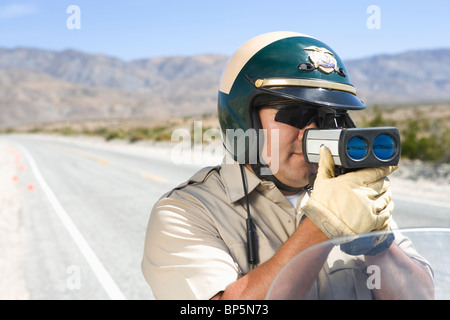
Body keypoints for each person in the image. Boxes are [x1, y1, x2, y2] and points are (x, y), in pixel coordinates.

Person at [141, 31, 434, 300]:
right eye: (296, 113)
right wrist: (323, 224)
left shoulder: (352, 195)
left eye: (329, 118)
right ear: (245, 121)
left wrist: (377, 243)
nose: (313, 133)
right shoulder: (186, 212)